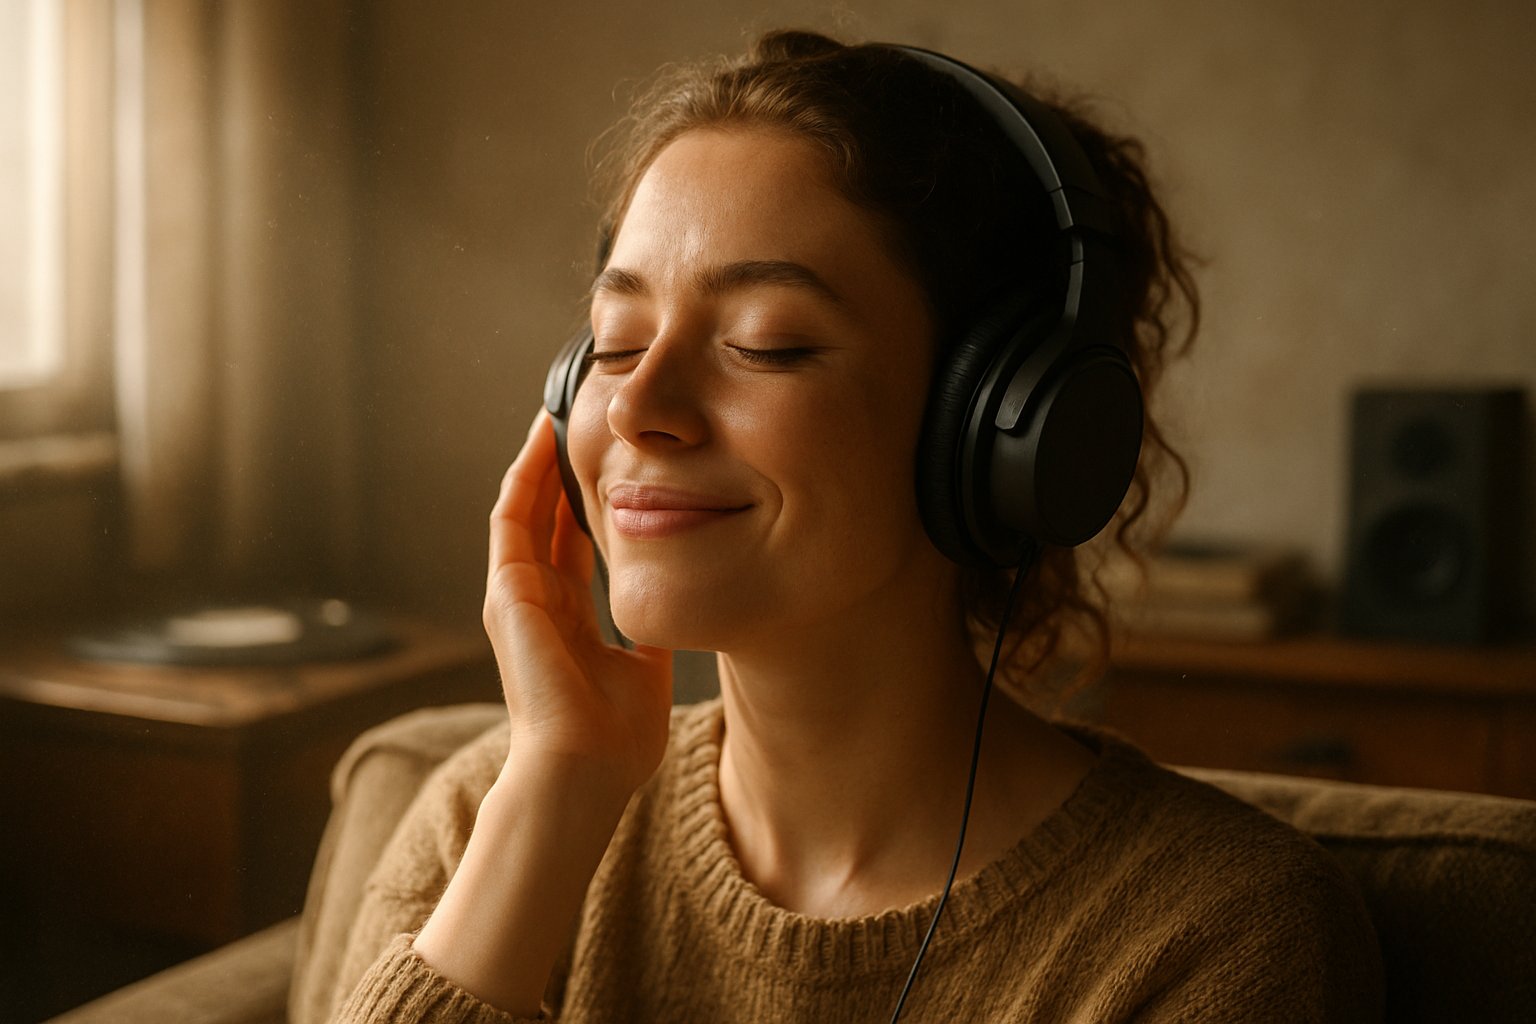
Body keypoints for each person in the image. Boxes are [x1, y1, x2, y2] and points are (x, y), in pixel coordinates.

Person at [328, 30, 1383, 1023]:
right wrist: (555, 794)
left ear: (1000, 424)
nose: (640, 405)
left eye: (769, 344)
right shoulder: (485, 818)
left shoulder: (1212, 935)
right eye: (614, 340)